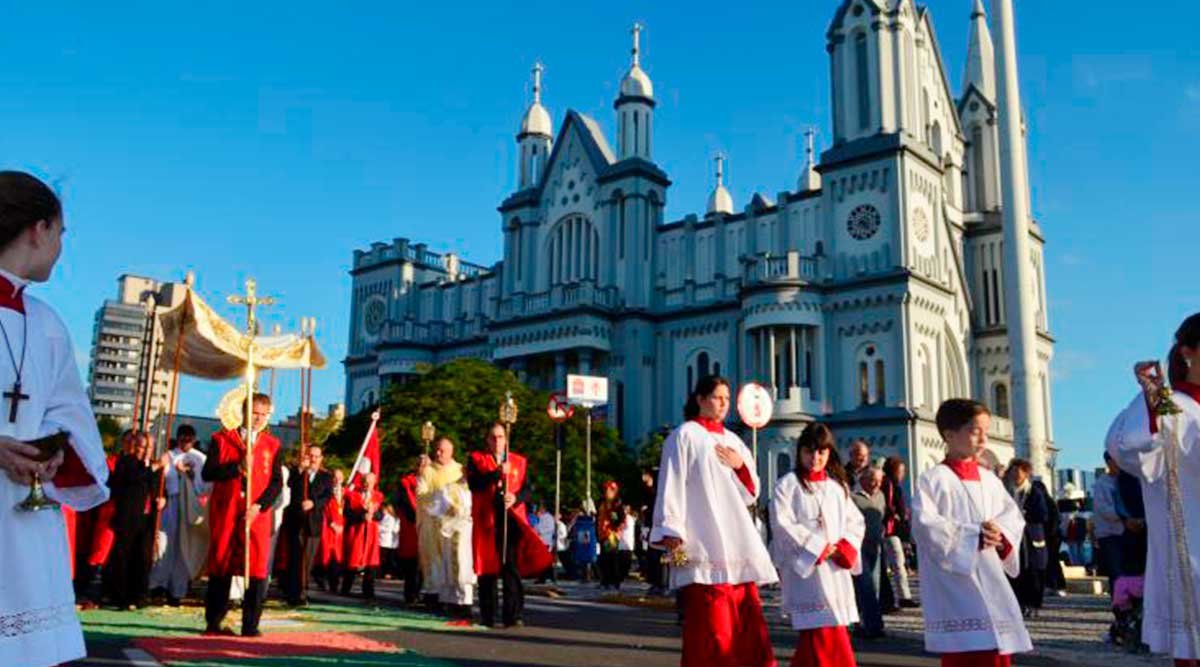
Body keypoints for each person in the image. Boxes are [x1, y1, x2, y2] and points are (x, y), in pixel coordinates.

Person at [0, 171, 111, 666]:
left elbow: (70, 416)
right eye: (61, 233)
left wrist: (57, 454)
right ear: (38, 229)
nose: (61, 247)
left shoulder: (46, 323)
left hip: (22, 518)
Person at [650, 374, 778, 667]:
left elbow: (752, 491)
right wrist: (672, 533)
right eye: (717, 398)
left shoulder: (733, 440)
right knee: (711, 625)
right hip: (701, 542)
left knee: (745, 623)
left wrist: (740, 466)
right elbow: (671, 483)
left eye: (727, 399)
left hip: (735, 541)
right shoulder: (684, 435)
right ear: (700, 399)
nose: (723, 404)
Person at [1105, 313, 1200, 665]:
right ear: (1188, 352)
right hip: (1192, 549)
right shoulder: (1175, 404)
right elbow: (1127, 447)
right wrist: (1153, 396)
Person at [912, 398, 1031, 666]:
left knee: (997, 649)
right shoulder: (933, 480)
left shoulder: (990, 479)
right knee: (969, 653)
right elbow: (925, 526)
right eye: (975, 431)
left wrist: (999, 533)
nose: (983, 439)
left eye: (985, 432)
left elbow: (1012, 516)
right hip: (956, 584)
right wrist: (972, 536)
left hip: (990, 573)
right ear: (949, 435)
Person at [771, 422, 864, 667]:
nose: (815, 458)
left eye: (821, 452)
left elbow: (856, 522)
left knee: (825, 633)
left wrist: (844, 547)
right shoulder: (787, 485)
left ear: (829, 453)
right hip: (808, 572)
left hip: (834, 570)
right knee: (823, 633)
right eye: (809, 451)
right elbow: (782, 526)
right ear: (799, 452)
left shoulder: (837, 488)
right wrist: (819, 547)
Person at [201, 392, 284, 637]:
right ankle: (214, 621)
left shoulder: (273, 444)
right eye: (254, 413)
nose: (258, 419)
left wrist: (259, 506)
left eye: (263, 414)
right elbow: (208, 473)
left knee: (256, 567)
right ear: (245, 412)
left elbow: (277, 483)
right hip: (226, 511)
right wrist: (236, 467)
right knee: (221, 563)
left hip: (256, 515)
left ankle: (250, 625)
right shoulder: (222, 439)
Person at [467, 422, 552, 627]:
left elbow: (527, 489)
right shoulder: (477, 459)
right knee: (487, 569)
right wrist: (497, 473)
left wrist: (516, 498)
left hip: (511, 519)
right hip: (488, 520)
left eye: (501, 437)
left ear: (506, 439)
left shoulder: (519, 462)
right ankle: (488, 613)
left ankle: (513, 614)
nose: (497, 441)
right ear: (488, 440)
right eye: (493, 437)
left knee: (510, 568)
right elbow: (474, 483)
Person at [149, 425, 209, 606]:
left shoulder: (200, 458)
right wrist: (160, 494)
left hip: (189, 504)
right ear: (177, 438)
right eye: (182, 439)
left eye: (189, 439)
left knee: (183, 547)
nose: (185, 443)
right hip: (171, 502)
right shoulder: (169, 455)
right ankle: (158, 584)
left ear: (194, 440)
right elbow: (157, 477)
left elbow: (204, 486)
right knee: (165, 542)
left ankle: (177, 589)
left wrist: (190, 476)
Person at [105, 431, 165, 610]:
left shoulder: (154, 467)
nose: (146, 451)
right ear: (134, 446)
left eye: (150, 448)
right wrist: (152, 468)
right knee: (124, 556)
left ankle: (139, 595)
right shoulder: (126, 462)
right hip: (128, 516)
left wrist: (162, 499)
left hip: (147, 518)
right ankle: (120, 596)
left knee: (143, 557)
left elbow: (158, 488)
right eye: (142, 447)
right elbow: (133, 479)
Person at [417, 437, 475, 617]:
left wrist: (453, 504)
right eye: (437, 450)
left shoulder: (459, 470)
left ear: (451, 451)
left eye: (442, 450)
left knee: (457, 561)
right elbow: (421, 494)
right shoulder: (428, 470)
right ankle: (434, 595)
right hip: (433, 523)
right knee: (434, 560)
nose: (438, 453)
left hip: (456, 525)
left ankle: (457, 600)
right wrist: (440, 499)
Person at [281, 444, 332, 606]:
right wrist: (300, 470)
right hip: (296, 521)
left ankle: (302, 592)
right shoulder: (298, 473)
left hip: (313, 523)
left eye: (317, 456)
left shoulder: (326, 477)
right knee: (295, 558)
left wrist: (313, 503)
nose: (313, 459)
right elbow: (289, 487)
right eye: (311, 455)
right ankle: (292, 593)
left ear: (321, 458)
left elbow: (327, 497)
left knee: (307, 561)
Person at [1004, 459, 1050, 618]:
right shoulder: (1006, 492)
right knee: (1016, 571)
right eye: (1013, 471)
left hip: (1032, 537)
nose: (1016, 474)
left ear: (1026, 473)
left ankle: (1034, 604)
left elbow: (1044, 514)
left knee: (1035, 571)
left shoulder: (1034, 491)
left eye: (1020, 471)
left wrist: (1024, 515)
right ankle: (1019, 603)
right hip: (1013, 538)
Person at [851, 467, 887, 640]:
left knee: (874, 585)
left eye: (880, 481)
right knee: (866, 585)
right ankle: (873, 626)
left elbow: (881, 517)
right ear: (863, 479)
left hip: (876, 545)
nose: (877, 484)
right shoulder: (852, 497)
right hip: (859, 547)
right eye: (873, 480)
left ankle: (859, 621)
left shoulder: (880, 496)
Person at [341, 471, 384, 600]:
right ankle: (346, 588)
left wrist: (373, 515)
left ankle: (368, 591)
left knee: (371, 563)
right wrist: (361, 516)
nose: (367, 484)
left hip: (371, 532)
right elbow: (346, 514)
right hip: (357, 532)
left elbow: (381, 515)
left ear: (374, 483)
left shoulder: (378, 496)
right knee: (352, 560)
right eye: (365, 481)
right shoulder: (352, 496)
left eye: (370, 482)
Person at [1092, 452, 1124, 593]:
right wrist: (1125, 515)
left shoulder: (1127, 480)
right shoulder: (1101, 484)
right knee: (1116, 573)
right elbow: (1104, 509)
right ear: (1109, 462)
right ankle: (1120, 606)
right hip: (1109, 534)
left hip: (1127, 533)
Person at [316, 468, 346, 592]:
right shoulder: (326, 491)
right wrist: (331, 522)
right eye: (335, 477)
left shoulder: (347, 493)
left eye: (339, 477)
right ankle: (321, 580)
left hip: (342, 529)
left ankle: (334, 584)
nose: (337, 479)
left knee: (338, 557)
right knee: (325, 555)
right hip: (328, 528)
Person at [395, 465, 422, 604]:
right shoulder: (406, 483)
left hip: (427, 526)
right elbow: (401, 503)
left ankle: (421, 592)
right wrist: (416, 517)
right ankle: (411, 593)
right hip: (411, 526)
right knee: (412, 562)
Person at [596, 479, 624, 590]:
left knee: (611, 558)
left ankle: (614, 582)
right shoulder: (602, 503)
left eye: (608, 489)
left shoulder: (616, 504)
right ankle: (605, 581)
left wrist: (615, 527)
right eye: (605, 489)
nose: (606, 492)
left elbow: (620, 519)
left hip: (611, 534)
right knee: (604, 559)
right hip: (602, 534)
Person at [534, 503, 557, 582]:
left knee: (544, 561)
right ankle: (545, 577)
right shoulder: (542, 517)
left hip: (545, 541)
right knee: (544, 561)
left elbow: (550, 528)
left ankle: (544, 577)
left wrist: (539, 531)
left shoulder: (548, 517)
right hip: (541, 541)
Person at [379, 504, 400, 579]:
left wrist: (377, 527)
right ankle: (385, 573)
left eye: (383, 510)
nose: (382, 511)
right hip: (387, 541)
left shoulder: (390, 518)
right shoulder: (387, 518)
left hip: (386, 541)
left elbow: (389, 529)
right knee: (387, 559)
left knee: (386, 559)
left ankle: (386, 573)